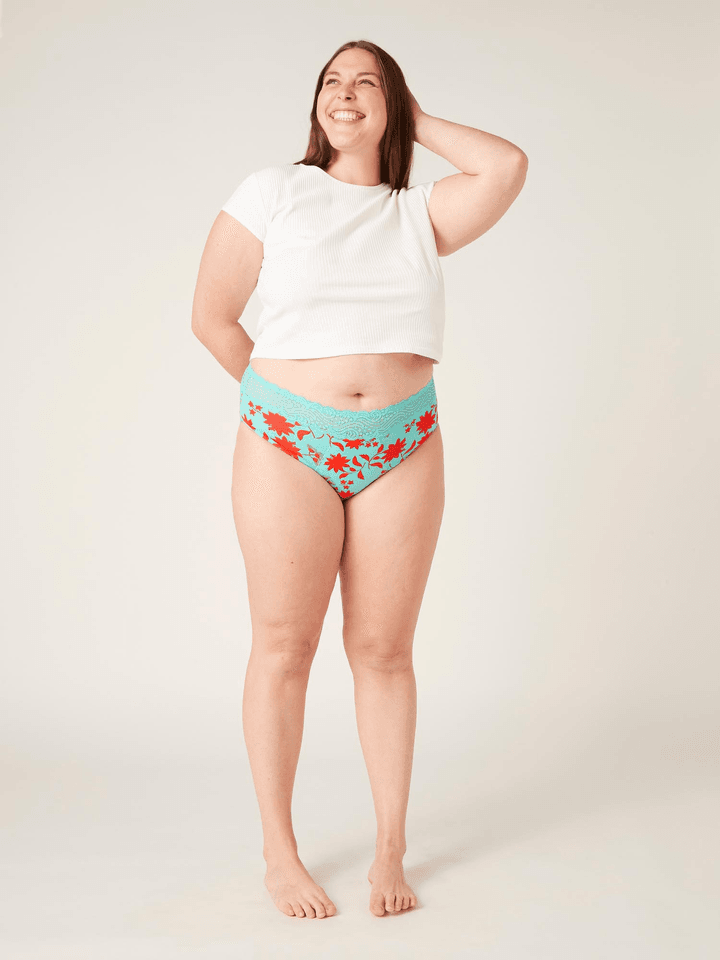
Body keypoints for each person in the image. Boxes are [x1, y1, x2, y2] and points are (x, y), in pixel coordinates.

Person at [191, 39, 527, 920]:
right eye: (332, 82)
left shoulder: (419, 214)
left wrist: (416, 117)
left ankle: (389, 850)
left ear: (394, 106)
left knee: (383, 652)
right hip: (287, 441)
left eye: (367, 84)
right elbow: (212, 317)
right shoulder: (274, 192)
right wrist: (285, 408)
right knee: (284, 646)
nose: (345, 94)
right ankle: (280, 852)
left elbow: (505, 165)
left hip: (402, 443)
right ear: (315, 105)